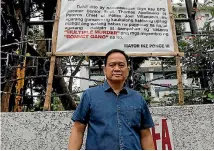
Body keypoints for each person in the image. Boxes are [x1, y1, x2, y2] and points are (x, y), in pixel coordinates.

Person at [68, 49, 155, 150]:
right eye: (112, 65)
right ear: (105, 70)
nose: (117, 68)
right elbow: (78, 130)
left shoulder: (138, 98)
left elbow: (146, 135)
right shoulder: (90, 96)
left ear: (127, 69)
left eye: (121, 65)